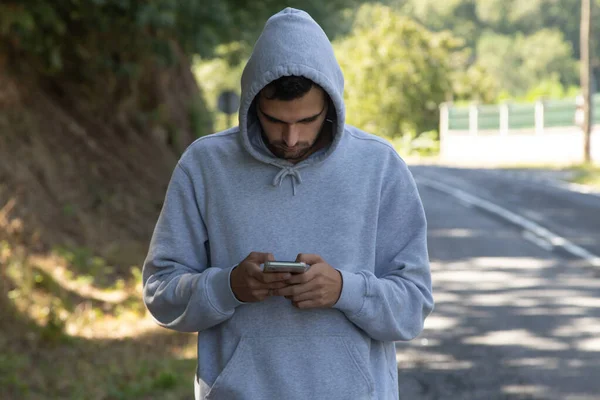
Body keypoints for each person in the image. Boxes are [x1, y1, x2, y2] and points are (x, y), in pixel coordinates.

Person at [142, 7, 434, 400]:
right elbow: (159, 292)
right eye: (276, 120)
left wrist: (344, 290)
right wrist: (228, 286)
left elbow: (413, 306)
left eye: (308, 120)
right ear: (252, 103)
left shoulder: (379, 166)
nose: (292, 138)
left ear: (331, 104)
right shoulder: (205, 165)